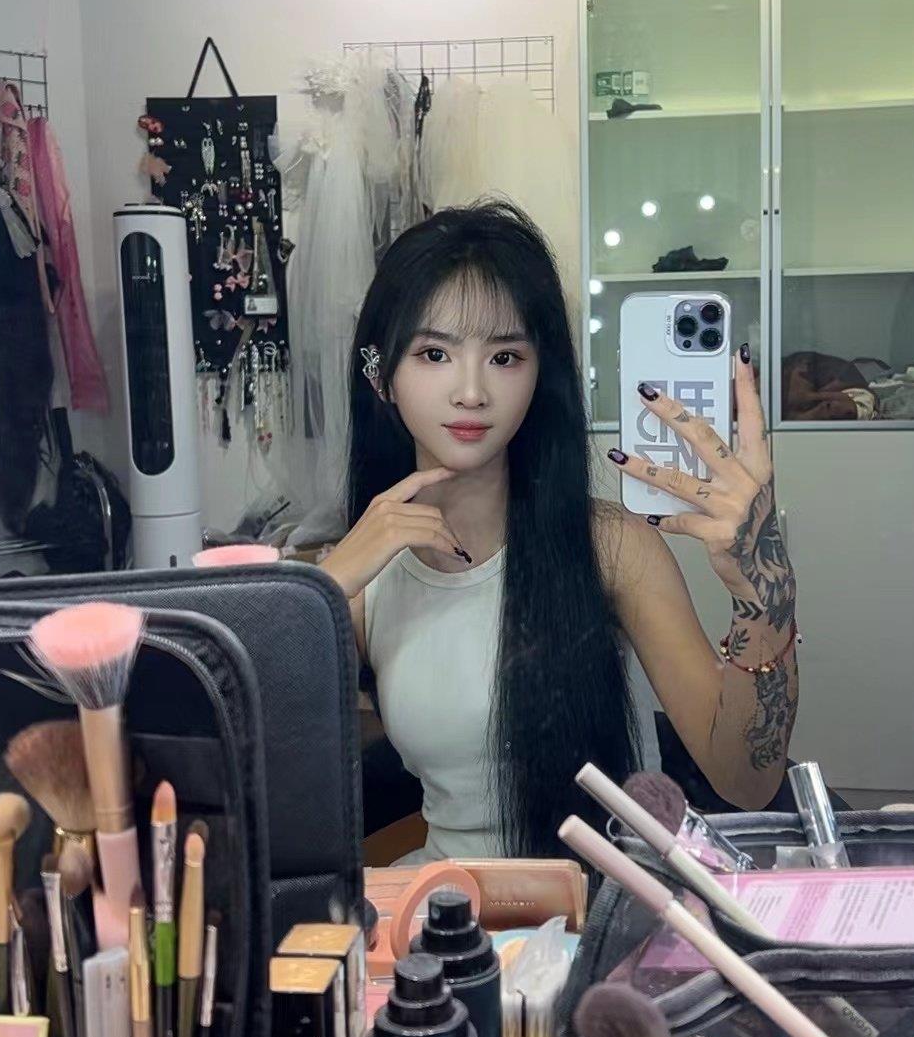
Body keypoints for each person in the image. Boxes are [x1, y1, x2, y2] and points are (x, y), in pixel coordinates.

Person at [320, 202, 798, 861]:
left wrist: (763, 589)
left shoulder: (612, 547)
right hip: (443, 905)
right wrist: (319, 592)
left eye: (505, 356)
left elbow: (745, 781)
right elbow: (263, 783)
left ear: (540, 373)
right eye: (434, 353)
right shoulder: (358, 579)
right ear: (381, 377)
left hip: (602, 896)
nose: (471, 392)